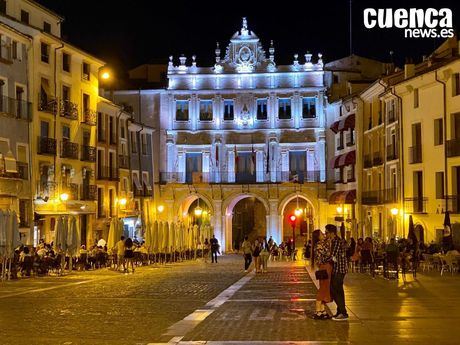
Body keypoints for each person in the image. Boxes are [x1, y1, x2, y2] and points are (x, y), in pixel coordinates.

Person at [326, 224, 349, 321]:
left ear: (332, 233)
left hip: (339, 269)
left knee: (335, 290)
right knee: (338, 290)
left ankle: (343, 312)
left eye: (327, 232)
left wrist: (323, 258)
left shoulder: (336, 241)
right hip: (340, 269)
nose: (326, 234)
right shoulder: (337, 240)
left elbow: (333, 256)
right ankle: (340, 311)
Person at [311, 229, 332, 319]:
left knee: (325, 288)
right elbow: (325, 256)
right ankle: (317, 311)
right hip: (324, 267)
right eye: (321, 233)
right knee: (323, 288)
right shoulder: (319, 245)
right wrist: (332, 257)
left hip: (325, 267)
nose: (323, 234)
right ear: (318, 236)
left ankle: (322, 310)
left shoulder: (321, 244)